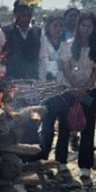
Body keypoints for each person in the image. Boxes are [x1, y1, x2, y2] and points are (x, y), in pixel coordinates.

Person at [59, 12, 96, 181]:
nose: (86, 29)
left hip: (89, 90)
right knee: (65, 125)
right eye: (83, 25)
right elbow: (65, 67)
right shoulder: (68, 44)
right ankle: (61, 161)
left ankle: (85, 166)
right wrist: (75, 87)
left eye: (89, 26)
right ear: (78, 26)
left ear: (94, 28)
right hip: (69, 89)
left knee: (88, 127)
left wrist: (85, 88)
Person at [35, 16, 71, 164]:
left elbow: (67, 66)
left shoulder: (65, 45)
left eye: (61, 26)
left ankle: (61, 160)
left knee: (64, 127)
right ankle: (43, 158)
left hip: (63, 89)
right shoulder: (41, 42)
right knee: (47, 127)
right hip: (46, 90)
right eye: (55, 26)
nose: (58, 29)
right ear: (48, 27)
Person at [0, 0, 42, 80]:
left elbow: (42, 58)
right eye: (22, 15)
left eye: (28, 15)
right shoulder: (3, 32)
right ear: (15, 14)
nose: (25, 18)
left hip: (33, 80)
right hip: (11, 81)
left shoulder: (38, 32)